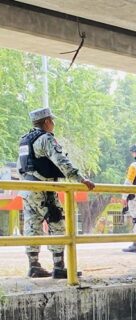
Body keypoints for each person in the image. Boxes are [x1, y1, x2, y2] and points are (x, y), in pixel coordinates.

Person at [16, 107, 95, 278]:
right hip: (44, 189)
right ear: (46, 122)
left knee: (32, 225)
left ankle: (33, 265)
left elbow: (20, 167)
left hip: (27, 189)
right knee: (57, 223)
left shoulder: (24, 140)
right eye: (52, 121)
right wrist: (80, 179)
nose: (53, 124)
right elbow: (61, 161)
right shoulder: (46, 138)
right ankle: (59, 267)